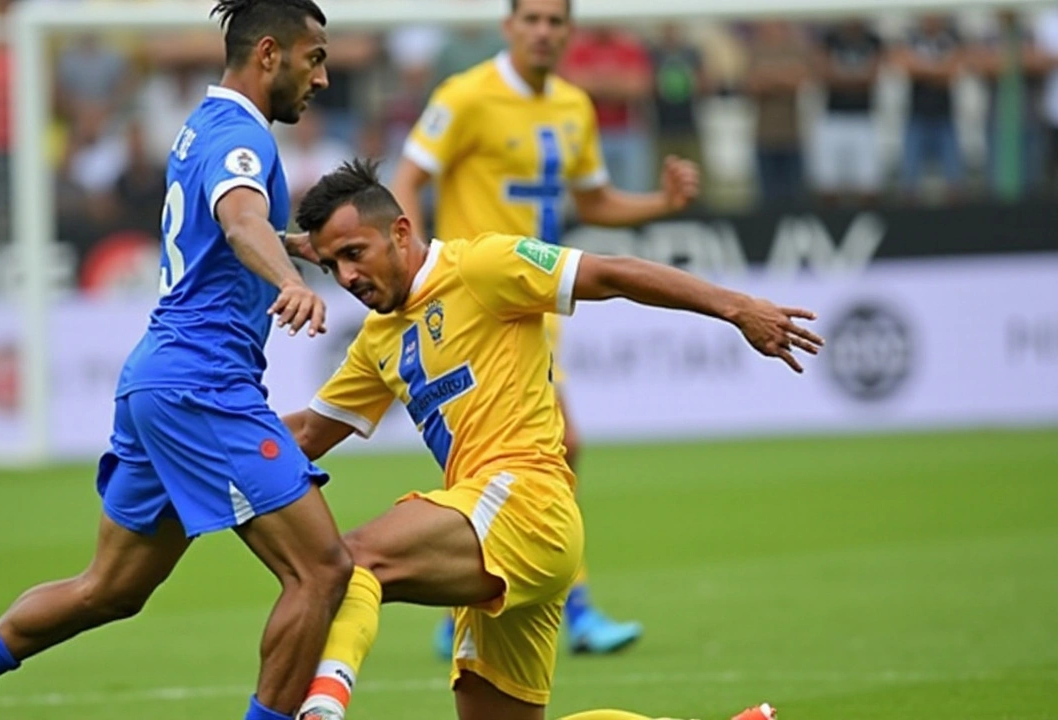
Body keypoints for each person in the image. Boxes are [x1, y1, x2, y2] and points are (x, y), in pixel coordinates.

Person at [0, 3, 358, 720]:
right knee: (321, 569)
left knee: (111, 588)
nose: (322, 76)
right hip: (202, 382)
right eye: (313, 57)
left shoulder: (203, 124)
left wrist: (294, 249)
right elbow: (237, 221)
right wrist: (289, 281)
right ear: (267, 54)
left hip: (157, 379)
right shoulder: (238, 137)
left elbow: (221, 230)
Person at [285, 159, 820, 720]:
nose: (346, 278)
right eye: (330, 267)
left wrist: (738, 308)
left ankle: (322, 706)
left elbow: (612, 274)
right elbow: (307, 434)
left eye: (354, 255)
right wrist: (198, 441)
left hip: (525, 503)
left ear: (400, 232)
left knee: (349, 560)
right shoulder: (378, 340)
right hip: (488, 536)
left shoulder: (482, 265)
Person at [390, 0, 701, 658]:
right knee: (560, 443)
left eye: (554, 21)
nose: (542, 31)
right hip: (476, 301)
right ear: (509, 27)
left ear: (569, 32)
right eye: (530, 18)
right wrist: (414, 272)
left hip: (536, 299)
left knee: (489, 459)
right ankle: (575, 607)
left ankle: (464, 601)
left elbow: (593, 202)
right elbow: (408, 176)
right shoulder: (466, 95)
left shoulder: (572, 106)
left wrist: (661, 203)